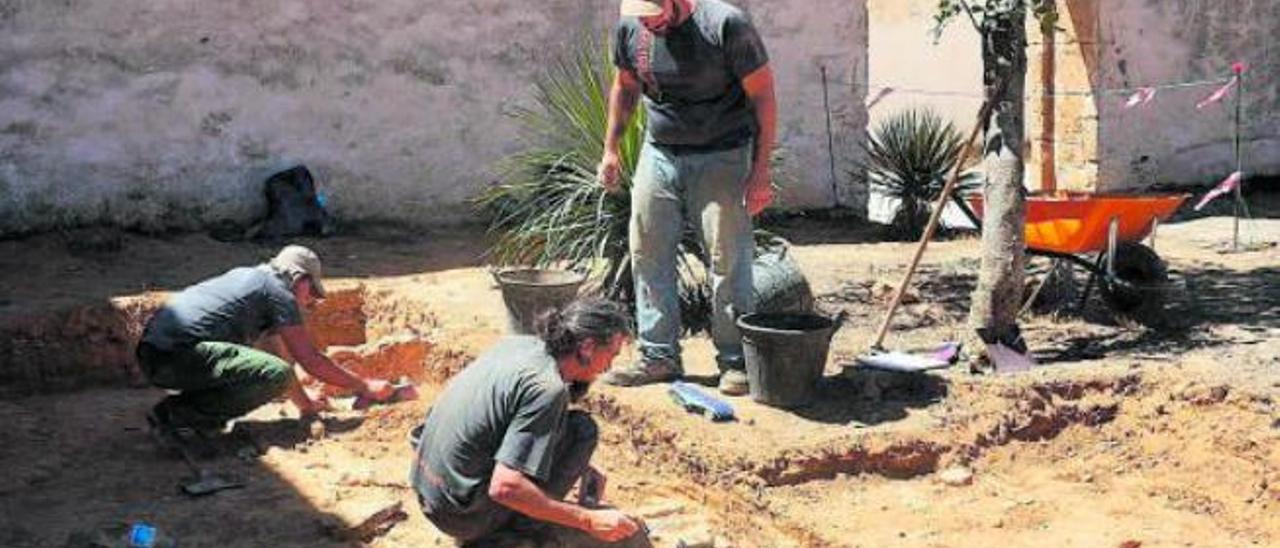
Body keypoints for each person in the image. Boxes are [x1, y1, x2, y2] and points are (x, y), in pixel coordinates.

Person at [598, 0, 777, 395]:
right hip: (660, 149)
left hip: (724, 152)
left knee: (727, 256)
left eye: (655, 14)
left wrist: (760, 172)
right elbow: (625, 86)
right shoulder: (631, 28)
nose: (649, 23)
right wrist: (611, 148)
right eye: (642, 16)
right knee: (647, 248)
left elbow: (763, 96)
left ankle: (735, 361)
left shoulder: (725, 25)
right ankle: (658, 355)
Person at [411, 298, 640, 545]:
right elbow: (505, 487)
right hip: (461, 515)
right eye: (611, 355)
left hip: (426, 488)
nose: (609, 366)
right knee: (583, 430)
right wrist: (587, 520)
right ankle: (516, 533)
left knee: (573, 430)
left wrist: (573, 462)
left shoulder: (518, 346)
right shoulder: (547, 389)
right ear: (587, 347)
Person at [137, 245, 395, 446]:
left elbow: (277, 360)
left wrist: (306, 406)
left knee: (271, 371)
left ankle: (174, 414)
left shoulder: (253, 281)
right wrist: (365, 386)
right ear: (299, 279)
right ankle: (180, 418)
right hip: (175, 355)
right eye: (311, 291)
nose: (309, 300)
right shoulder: (278, 293)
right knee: (274, 374)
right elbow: (309, 360)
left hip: (154, 354)